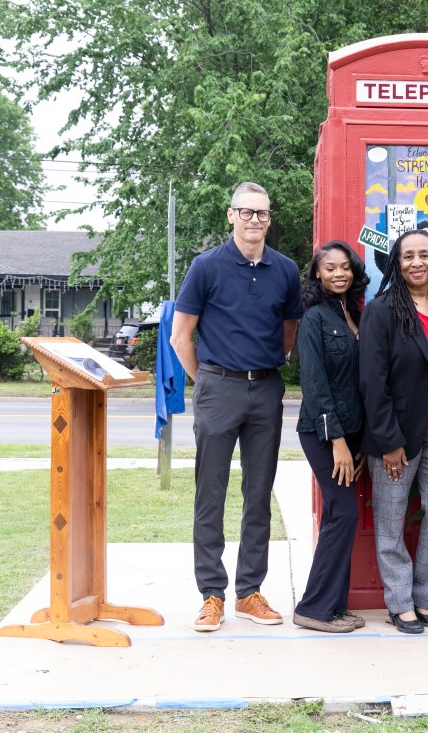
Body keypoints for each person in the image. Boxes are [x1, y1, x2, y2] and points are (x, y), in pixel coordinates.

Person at [170, 181, 303, 632]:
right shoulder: (206, 267)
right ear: (231, 216)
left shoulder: (285, 270)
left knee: (258, 494)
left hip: (265, 389)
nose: (254, 221)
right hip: (217, 387)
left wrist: (266, 370)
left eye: (262, 214)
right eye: (246, 213)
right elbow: (180, 336)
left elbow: (289, 332)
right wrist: (206, 379)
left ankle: (249, 592)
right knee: (210, 494)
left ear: (270, 219)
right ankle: (211, 594)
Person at [359, 229, 428, 634]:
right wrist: (389, 442)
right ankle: (399, 603)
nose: (416, 262)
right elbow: (372, 380)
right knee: (391, 519)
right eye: (407, 256)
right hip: (397, 437)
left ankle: (422, 598)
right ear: (396, 264)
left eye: (424, 255)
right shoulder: (381, 310)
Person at [293, 241, 369, 633]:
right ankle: (313, 608)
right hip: (322, 434)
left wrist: (360, 443)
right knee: (343, 513)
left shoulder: (355, 312)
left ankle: (334, 607)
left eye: (345, 268)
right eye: (330, 269)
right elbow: (316, 386)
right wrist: (338, 441)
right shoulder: (314, 319)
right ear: (318, 275)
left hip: (353, 436)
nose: (338, 274)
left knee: (340, 516)